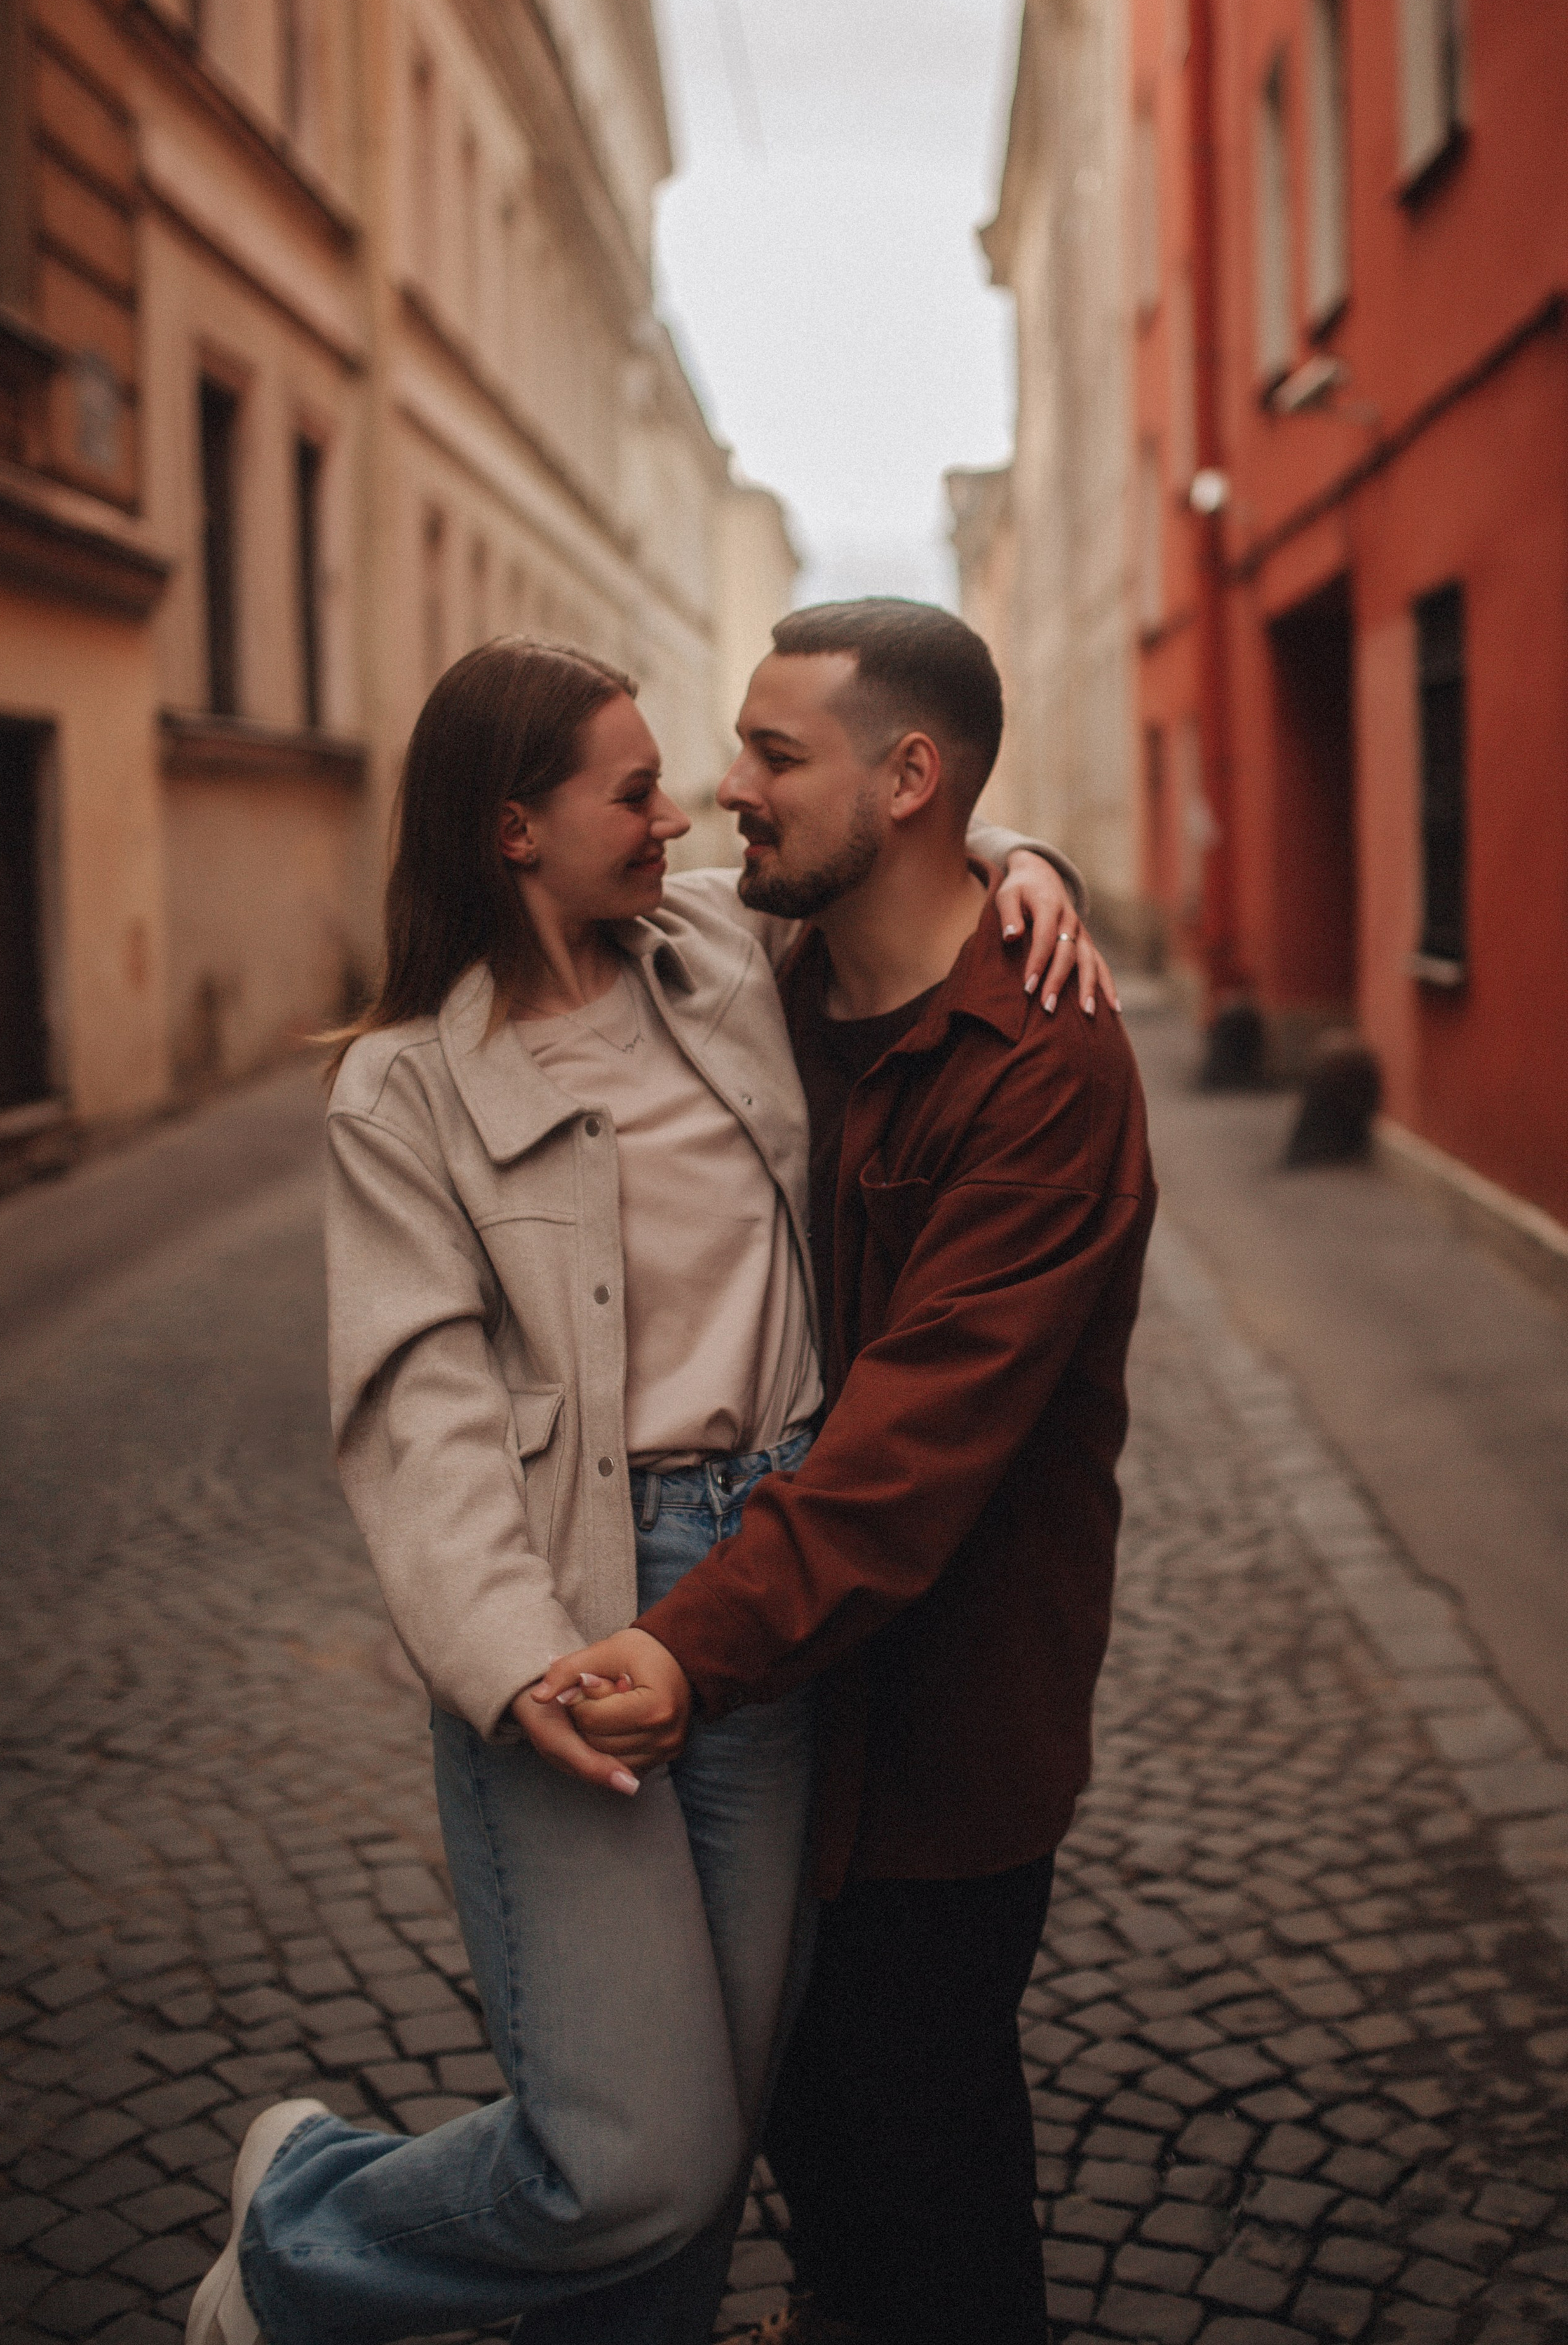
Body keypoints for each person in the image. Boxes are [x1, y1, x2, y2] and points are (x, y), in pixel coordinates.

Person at [185, 634, 1103, 2345]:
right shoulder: (405, 1087)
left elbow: (894, 849)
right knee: (631, 2158)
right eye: (635, 790)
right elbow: (419, 1403)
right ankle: (308, 2211)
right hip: (566, 1607)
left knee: (704, 2142)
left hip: (755, 1593)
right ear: (515, 829)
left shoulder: (718, 949)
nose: (683, 811)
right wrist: (513, 1658)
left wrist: (1022, 866)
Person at [537, 600, 1157, 2345]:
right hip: (782, 1704)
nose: (732, 789)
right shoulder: (763, 976)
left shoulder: (1044, 1064)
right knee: (806, 2124)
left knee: (926, 2156)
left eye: (773, 756)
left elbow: (918, 1441)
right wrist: (1020, 847)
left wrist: (682, 1651)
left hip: (950, 1716)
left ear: (907, 777)